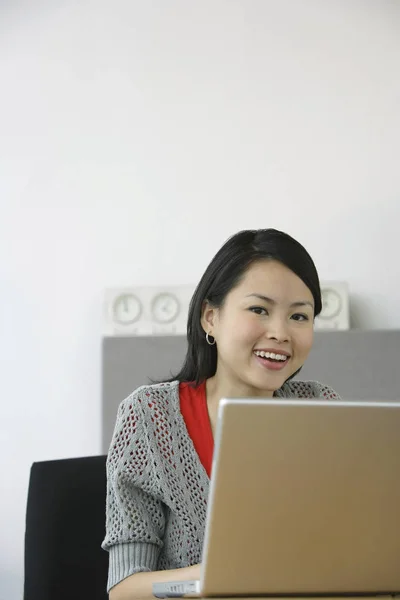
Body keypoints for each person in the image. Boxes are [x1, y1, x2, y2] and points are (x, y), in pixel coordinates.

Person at [102, 228, 340, 600]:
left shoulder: (322, 410)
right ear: (210, 317)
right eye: (259, 309)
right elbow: (124, 589)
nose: (280, 332)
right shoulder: (150, 416)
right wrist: (218, 577)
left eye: (299, 316)